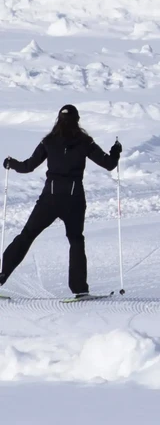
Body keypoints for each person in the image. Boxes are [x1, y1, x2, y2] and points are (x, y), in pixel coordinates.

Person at [0, 105, 121, 297]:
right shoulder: (85, 142)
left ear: (58, 120)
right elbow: (109, 164)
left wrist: (11, 163)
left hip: (50, 198)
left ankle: (2, 274)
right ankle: (80, 290)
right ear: (77, 120)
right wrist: (116, 151)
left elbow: (28, 166)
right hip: (74, 199)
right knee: (76, 240)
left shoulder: (48, 141)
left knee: (27, 235)